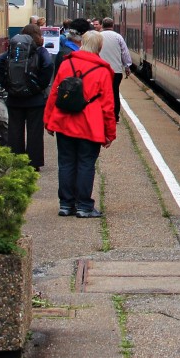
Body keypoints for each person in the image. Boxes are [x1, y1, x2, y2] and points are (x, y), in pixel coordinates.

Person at [44, 30, 116, 218]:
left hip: (64, 121)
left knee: (66, 163)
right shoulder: (102, 70)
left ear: (81, 43)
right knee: (85, 164)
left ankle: (66, 204)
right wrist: (110, 133)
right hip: (90, 125)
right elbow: (108, 106)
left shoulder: (67, 63)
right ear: (99, 47)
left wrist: (48, 120)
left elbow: (54, 94)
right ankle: (84, 206)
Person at [0, 24, 55, 170]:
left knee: (14, 130)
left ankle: (17, 160)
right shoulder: (40, 51)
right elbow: (48, 65)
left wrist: (7, 84)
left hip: (14, 98)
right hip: (35, 99)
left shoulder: (14, 51)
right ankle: (34, 162)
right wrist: (39, 85)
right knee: (34, 131)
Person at [98, 17, 132, 122]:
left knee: (100, 93)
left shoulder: (98, 37)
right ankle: (115, 115)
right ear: (113, 25)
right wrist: (127, 66)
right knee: (114, 92)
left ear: (102, 25)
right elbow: (124, 53)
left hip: (100, 70)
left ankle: (101, 114)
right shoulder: (118, 37)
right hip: (115, 71)